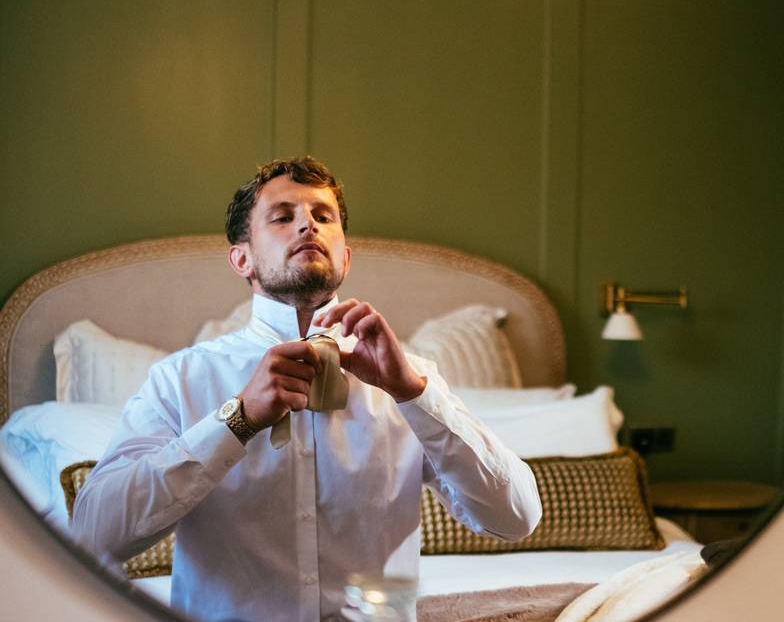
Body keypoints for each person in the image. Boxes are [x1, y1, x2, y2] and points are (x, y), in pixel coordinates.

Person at [72, 156, 542, 622]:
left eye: (323, 216)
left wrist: (415, 395)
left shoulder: (410, 380)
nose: (308, 226)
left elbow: (516, 518)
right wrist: (237, 420)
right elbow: (94, 532)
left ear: (346, 256)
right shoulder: (180, 380)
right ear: (243, 259)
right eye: (283, 216)